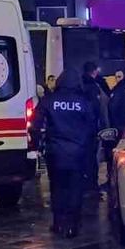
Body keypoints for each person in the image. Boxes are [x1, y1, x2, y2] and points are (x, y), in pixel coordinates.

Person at [30, 71, 101, 237]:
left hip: (55, 152)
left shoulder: (49, 100)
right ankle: (73, 225)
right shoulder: (84, 102)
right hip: (78, 153)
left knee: (57, 187)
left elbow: (35, 125)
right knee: (75, 188)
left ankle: (58, 223)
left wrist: (37, 145)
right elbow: (93, 127)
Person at [80, 61, 109, 191]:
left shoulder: (78, 86)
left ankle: (83, 182)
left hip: (78, 129)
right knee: (92, 157)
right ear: (95, 71)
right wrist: (105, 128)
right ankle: (92, 184)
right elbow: (102, 109)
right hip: (93, 128)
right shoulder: (96, 86)